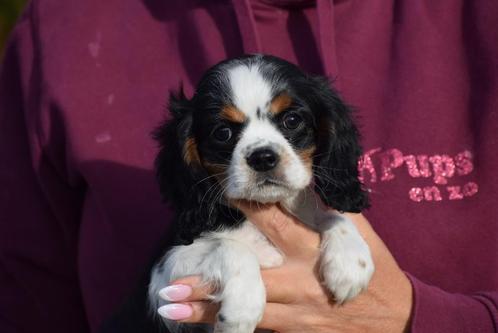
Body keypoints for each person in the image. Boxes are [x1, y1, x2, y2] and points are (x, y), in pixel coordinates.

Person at [0, 0, 496, 332]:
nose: (262, 149)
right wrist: (226, 264)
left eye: (292, 123)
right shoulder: (60, 26)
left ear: (327, 133)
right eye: (224, 133)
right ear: (192, 152)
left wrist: (411, 315)